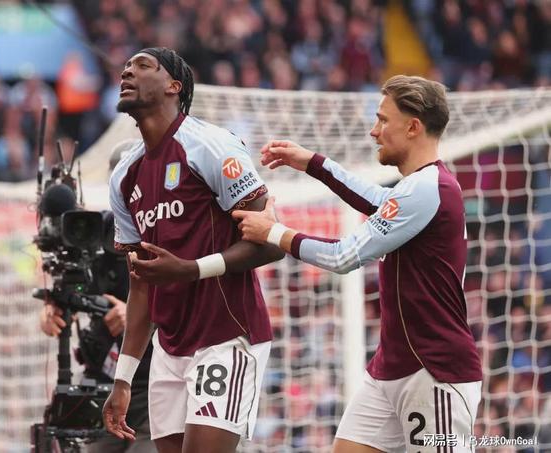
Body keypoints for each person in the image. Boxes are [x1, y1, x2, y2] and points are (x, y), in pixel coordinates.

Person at [232, 75, 483, 452]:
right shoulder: (419, 186)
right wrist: (312, 163)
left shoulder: (429, 186)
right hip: (393, 367)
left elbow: (344, 256)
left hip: (435, 371)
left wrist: (273, 232)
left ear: (413, 127)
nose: (373, 131)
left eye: (383, 120)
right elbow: (375, 200)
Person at [103, 47, 284, 453]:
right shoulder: (123, 176)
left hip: (227, 336)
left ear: (174, 86)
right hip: (169, 349)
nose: (127, 72)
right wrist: (123, 378)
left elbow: (272, 242)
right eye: (126, 67)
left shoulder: (211, 145)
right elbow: (141, 285)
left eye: (142, 66)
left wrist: (190, 269)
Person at [40, 210, 156, 453]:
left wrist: (138, 316)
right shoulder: (92, 234)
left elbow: (188, 302)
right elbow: (68, 292)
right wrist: (52, 310)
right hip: (103, 386)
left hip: (152, 386)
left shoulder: (161, 232)